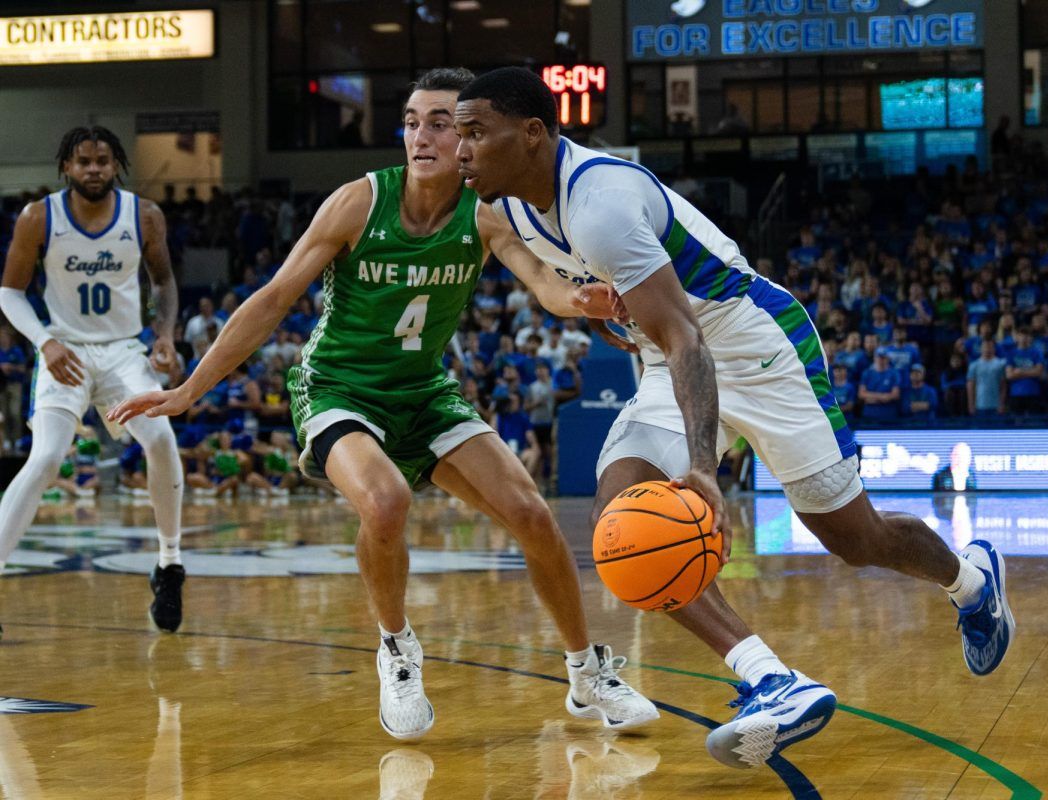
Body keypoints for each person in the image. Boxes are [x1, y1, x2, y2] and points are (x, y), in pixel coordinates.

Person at [454, 67, 1015, 769]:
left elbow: (690, 335)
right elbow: (647, 322)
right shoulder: (509, 211)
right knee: (623, 521)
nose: (460, 149)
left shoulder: (597, 201)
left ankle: (970, 583)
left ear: (532, 133)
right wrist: (611, 315)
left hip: (753, 341)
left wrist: (700, 464)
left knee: (854, 537)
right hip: (667, 358)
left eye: (475, 132)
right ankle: (771, 679)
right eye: (456, 133)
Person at [108, 69, 655, 741]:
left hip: (424, 390)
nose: (421, 136)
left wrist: (584, 299)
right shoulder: (358, 202)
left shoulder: (486, 213)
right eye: (411, 121)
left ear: (467, 139)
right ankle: (396, 648)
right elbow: (276, 298)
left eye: (439, 123)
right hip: (338, 386)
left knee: (531, 514)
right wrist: (194, 387)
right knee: (387, 501)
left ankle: (584, 672)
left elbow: (543, 280)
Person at [0, 126, 185, 639]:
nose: (94, 169)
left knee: (162, 439)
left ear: (116, 164)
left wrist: (165, 333)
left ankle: (169, 565)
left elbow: (164, 281)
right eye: (84, 161)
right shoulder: (39, 217)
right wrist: (44, 342)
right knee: (44, 459)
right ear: (67, 167)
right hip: (66, 350)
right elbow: (9, 292)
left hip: (125, 351)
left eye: (103, 160)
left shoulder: (144, 215)